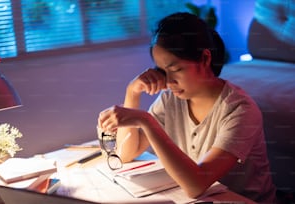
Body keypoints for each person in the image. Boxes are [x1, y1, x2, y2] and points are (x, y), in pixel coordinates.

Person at [98, 12, 276, 203]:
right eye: (162, 71)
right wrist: (132, 93)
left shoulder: (240, 110)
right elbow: (125, 154)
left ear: (205, 58)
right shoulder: (171, 99)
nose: (168, 80)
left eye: (175, 70)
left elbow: (196, 186)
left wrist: (147, 121)